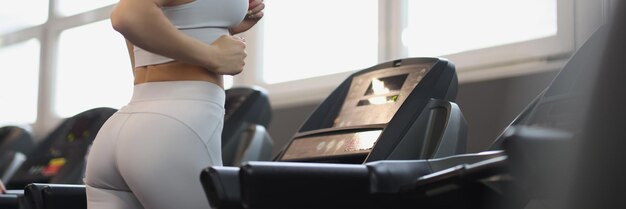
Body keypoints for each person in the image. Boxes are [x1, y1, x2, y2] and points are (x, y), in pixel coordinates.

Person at [83, 0, 264, 208]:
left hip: (124, 129)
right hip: (174, 129)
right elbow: (127, 16)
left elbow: (140, 27)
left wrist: (215, 24)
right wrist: (212, 56)